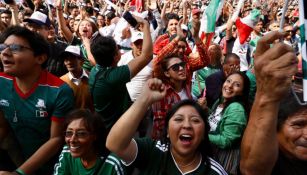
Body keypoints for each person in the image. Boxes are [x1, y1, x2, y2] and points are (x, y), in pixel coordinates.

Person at [106, 78, 228, 175]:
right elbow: (114, 144)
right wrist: (144, 100)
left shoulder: (215, 171)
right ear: (168, 131)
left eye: (195, 120)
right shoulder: (153, 152)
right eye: (179, 119)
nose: (186, 125)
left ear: (203, 134)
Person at [0, 26, 74, 174]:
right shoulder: (2, 81)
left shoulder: (59, 91)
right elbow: (3, 127)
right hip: (19, 159)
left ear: (40, 58)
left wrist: (19, 173)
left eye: (15, 48)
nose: (5, 53)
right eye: (3, 47)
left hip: (55, 166)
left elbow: (56, 139)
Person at [240, 31, 305, 175]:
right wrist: (266, 95)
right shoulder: (270, 161)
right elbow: (252, 170)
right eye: (298, 124)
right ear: (275, 128)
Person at [89, 14, 152, 132]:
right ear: (115, 56)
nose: (120, 50)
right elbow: (147, 56)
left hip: (106, 126)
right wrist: (146, 26)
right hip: (114, 130)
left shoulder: (94, 71)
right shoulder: (112, 77)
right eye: (117, 49)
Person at [54, 109, 127, 175]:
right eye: (69, 133)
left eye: (81, 134)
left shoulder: (112, 164)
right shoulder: (67, 153)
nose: (72, 140)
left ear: (95, 136)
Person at [208, 72, 250, 174]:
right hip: (211, 153)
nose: (229, 86)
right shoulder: (220, 101)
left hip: (223, 159)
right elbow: (216, 121)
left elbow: (227, 141)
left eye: (237, 85)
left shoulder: (236, 109)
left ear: (242, 92)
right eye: (228, 81)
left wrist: (203, 135)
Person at [24, 10, 68, 77]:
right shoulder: (20, 50)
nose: (32, 29)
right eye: (30, 26)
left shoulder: (60, 52)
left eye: (37, 27)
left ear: (48, 30)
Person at [60, 45, 93, 110]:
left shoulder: (92, 77)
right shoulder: (60, 82)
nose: (69, 62)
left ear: (82, 61)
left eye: (72, 58)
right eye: (66, 59)